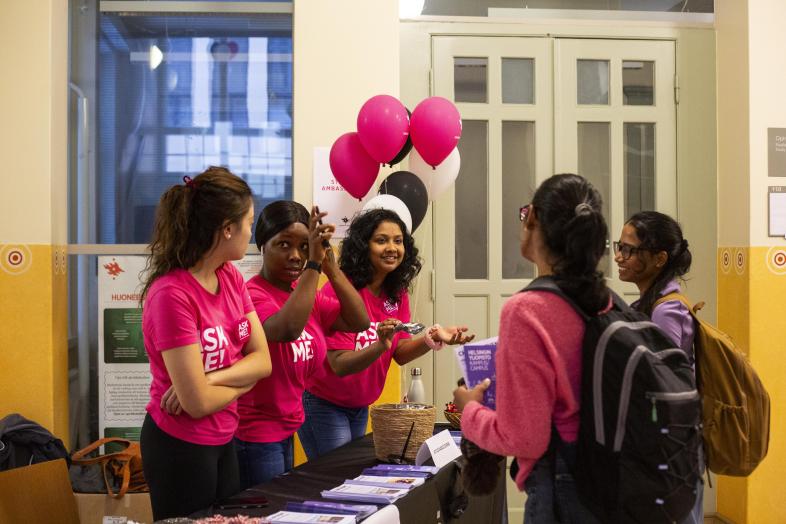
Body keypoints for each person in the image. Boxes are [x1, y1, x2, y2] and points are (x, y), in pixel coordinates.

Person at [453, 174, 608, 523]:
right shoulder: (605, 300)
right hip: (608, 475)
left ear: (533, 219)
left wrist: (470, 411)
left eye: (524, 214)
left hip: (563, 484)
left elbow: (525, 439)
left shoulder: (527, 310)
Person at [140, 166, 272, 520]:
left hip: (224, 437)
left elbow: (263, 362)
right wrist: (242, 379)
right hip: (179, 445)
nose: (251, 232)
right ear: (227, 228)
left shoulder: (230, 277)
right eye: (248, 222)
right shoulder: (172, 295)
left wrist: (211, 378)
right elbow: (196, 404)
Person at [298, 208, 474, 460]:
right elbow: (339, 365)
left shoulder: (396, 293)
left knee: (348, 474)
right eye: (381, 240)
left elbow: (398, 352)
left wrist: (431, 338)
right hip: (325, 404)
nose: (392, 248)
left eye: (398, 241)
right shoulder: (341, 289)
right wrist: (380, 345)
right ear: (363, 246)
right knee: (336, 474)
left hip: (360, 406)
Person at [235, 201, 369, 486]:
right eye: (284, 244)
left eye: (304, 247)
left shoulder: (305, 294)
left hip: (287, 428)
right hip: (256, 434)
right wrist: (314, 267)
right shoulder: (251, 295)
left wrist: (331, 267)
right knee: (269, 508)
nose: (296, 256)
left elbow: (360, 321)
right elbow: (287, 329)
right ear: (262, 245)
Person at [614, 210, 702, 524]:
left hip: (670, 445)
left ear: (659, 258)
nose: (619, 257)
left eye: (629, 250)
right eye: (619, 247)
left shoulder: (666, 310)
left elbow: (664, 384)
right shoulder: (647, 304)